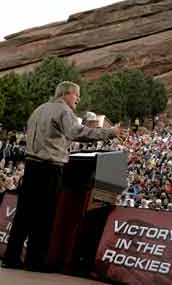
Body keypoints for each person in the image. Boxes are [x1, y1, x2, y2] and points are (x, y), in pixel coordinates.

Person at [3, 81, 127, 272]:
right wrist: (109, 132)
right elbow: (76, 132)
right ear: (67, 94)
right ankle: (35, 261)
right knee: (45, 216)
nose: (78, 99)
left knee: (24, 214)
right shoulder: (63, 111)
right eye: (77, 95)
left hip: (32, 166)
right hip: (50, 168)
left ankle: (11, 257)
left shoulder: (39, 109)